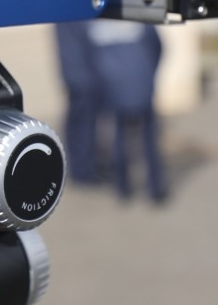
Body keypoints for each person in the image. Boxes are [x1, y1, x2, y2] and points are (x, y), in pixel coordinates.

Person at [86, 20, 169, 203]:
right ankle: (155, 189)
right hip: (142, 86)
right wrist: (149, 76)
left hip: (114, 90)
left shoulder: (97, 25)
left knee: (119, 139)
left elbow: (90, 59)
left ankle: (123, 188)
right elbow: (157, 47)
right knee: (149, 139)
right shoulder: (139, 18)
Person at [54, 22, 102, 185]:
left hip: (80, 77)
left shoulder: (68, 19)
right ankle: (82, 171)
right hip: (82, 79)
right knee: (82, 124)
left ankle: (82, 168)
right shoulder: (71, 19)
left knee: (81, 123)